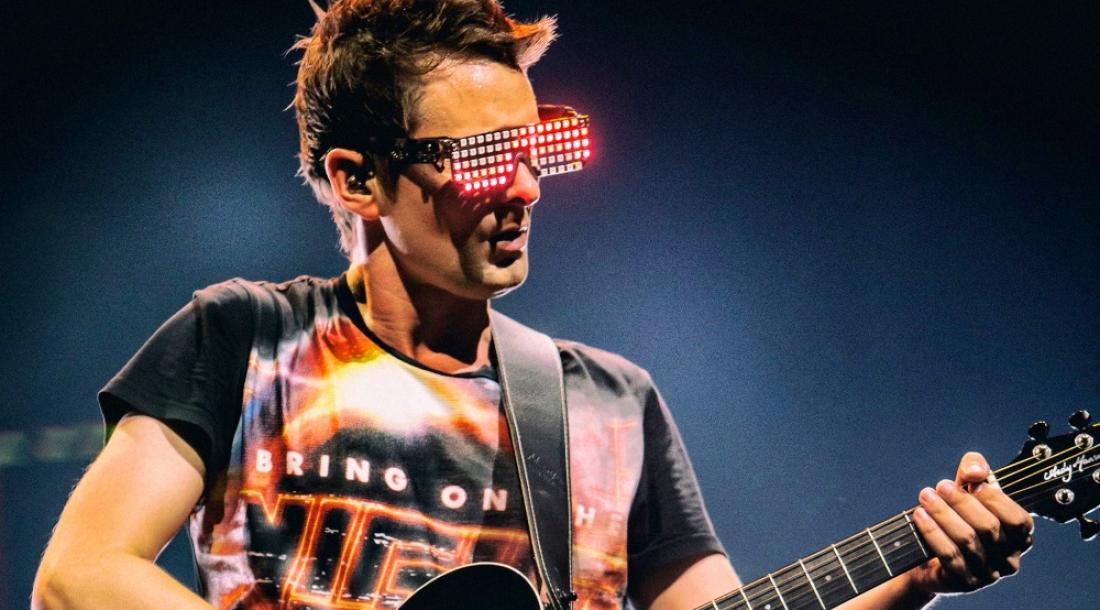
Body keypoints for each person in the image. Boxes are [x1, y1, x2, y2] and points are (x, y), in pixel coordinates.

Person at [32, 1, 1034, 608]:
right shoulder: (246, 337)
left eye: (536, 146)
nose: (524, 187)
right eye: (481, 158)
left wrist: (914, 577)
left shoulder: (608, 402)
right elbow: (79, 577)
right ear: (357, 179)